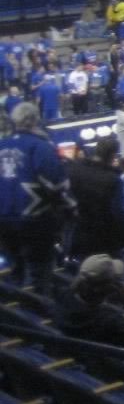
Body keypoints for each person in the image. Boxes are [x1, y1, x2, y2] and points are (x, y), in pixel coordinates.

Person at [0, 101, 72, 287]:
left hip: (4, 224)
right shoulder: (40, 146)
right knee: (39, 277)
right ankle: (37, 310)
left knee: (16, 272)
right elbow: (58, 185)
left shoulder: (2, 144)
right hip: (35, 223)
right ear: (35, 120)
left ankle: (20, 313)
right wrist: (70, 211)